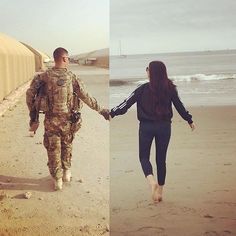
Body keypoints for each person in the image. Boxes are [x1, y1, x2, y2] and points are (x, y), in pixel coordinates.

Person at [110, 61, 195, 203]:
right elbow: (180, 105)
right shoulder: (170, 89)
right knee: (161, 159)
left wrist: (112, 112)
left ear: (151, 72)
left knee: (144, 157)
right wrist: (189, 119)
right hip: (164, 127)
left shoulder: (141, 89)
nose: (146, 71)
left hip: (146, 127)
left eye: (148, 69)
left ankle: (151, 182)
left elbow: (125, 104)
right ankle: (160, 192)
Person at [26, 47, 109, 191]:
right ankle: (66, 173)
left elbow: (29, 95)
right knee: (67, 145)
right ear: (64, 59)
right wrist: (101, 110)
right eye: (68, 59)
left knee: (53, 149)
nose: (68, 61)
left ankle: (57, 179)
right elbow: (85, 96)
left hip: (50, 121)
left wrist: (33, 117)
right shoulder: (72, 77)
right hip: (68, 121)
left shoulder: (43, 77)